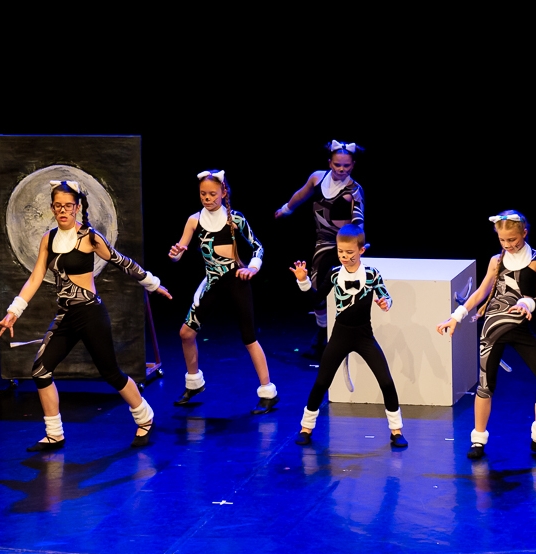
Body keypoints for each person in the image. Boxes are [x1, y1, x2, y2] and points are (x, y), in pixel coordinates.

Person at [0, 181, 171, 451]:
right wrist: (13, 312)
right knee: (40, 371)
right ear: (52, 208)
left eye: (68, 206)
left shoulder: (89, 237)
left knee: (111, 373)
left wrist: (152, 283)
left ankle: (145, 416)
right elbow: (36, 277)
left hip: (90, 314)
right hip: (66, 316)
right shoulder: (48, 239)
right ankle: (54, 434)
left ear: (77, 207)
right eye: (58, 206)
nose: (63, 210)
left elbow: (120, 260)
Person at [436, 211, 536, 459]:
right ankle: (478, 441)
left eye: (512, 239)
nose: (507, 244)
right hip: (493, 329)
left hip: (520, 328)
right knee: (486, 385)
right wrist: (456, 317)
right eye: (502, 240)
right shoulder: (496, 261)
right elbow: (480, 293)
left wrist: (526, 304)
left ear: (524, 233)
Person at [169, 169, 278, 414]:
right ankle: (194, 383)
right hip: (212, 282)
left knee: (249, 338)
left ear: (223, 192)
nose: (207, 198)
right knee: (186, 333)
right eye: (203, 194)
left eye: (212, 194)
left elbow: (258, 247)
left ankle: (268, 392)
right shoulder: (194, 220)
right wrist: (176, 254)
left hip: (235, 279)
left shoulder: (234, 219)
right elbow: (180, 251)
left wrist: (252, 268)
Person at [289, 224, 407, 448]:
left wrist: (385, 303)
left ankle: (396, 430)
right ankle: (306, 427)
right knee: (321, 382)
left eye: (349, 252)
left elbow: (386, 296)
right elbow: (316, 299)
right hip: (340, 335)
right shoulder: (334, 274)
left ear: (361, 250)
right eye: (340, 252)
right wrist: (303, 280)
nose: (344, 256)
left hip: (364, 336)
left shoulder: (372, 274)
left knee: (386, 381)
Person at [275, 140, 365, 358]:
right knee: (316, 290)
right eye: (337, 165)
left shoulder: (354, 190)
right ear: (329, 163)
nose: (341, 169)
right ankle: (322, 330)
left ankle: (345, 336)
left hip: (345, 246)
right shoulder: (318, 178)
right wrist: (286, 209)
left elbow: (358, 220)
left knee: (346, 289)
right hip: (323, 243)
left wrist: (359, 244)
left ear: (353, 165)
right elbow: (301, 194)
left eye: (346, 166)